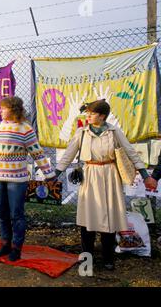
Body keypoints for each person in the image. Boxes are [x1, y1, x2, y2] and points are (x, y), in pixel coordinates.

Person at [56, 99, 149, 270]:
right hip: (90, 175)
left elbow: (130, 152)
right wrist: (55, 173)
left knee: (110, 217)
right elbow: (69, 154)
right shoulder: (82, 132)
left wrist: (144, 174)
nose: (88, 116)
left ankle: (108, 258)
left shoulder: (114, 132)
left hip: (110, 176)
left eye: (92, 113)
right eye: (88, 113)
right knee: (87, 218)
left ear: (102, 116)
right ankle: (87, 258)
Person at [0, 96, 56, 261]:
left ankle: (16, 248)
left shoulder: (25, 129)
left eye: (3, 108)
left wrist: (50, 175)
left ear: (13, 109)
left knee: (16, 215)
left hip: (17, 180)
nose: (0, 111)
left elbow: (38, 153)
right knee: (2, 213)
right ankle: (5, 244)